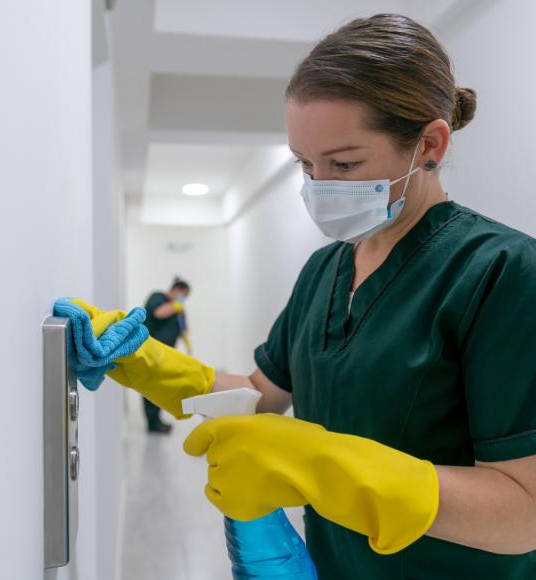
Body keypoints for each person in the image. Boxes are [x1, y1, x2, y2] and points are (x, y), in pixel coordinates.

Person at [76, 13, 536, 579]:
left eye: (344, 163)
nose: (319, 186)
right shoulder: (325, 270)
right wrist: (140, 359)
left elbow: (524, 511)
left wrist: (323, 465)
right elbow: (262, 394)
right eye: (304, 164)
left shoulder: (501, 272)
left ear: (430, 145)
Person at [142, 277, 192, 433]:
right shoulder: (157, 297)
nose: (182, 299)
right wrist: (176, 305)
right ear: (175, 289)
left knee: (160, 388)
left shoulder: (177, 308)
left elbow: (182, 327)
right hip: (151, 352)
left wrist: (187, 343)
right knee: (150, 387)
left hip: (164, 354)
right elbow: (158, 313)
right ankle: (152, 424)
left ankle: (157, 420)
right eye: (182, 295)